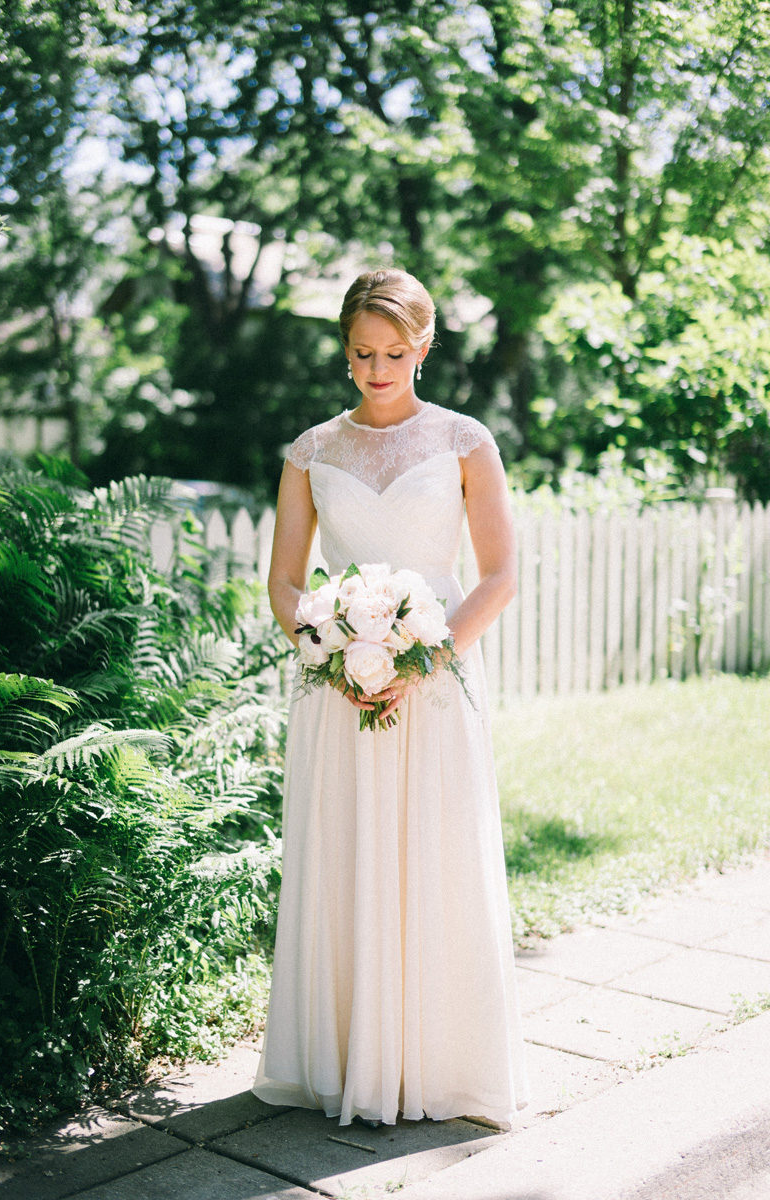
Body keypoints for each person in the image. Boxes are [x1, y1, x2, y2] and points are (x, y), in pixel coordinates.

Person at [252, 268, 529, 1129]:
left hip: (436, 682)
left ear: (424, 346)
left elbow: (501, 576)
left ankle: (438, 1063)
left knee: (434, 853)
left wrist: (425, 652)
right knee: (346, 852)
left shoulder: (463, 442)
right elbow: (286, 582)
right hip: (336, 688)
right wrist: (333, 649)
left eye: (396, 353)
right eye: (364, 355)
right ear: (344, 352)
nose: (379, 370)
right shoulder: (310, 451)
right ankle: (342, 1057)